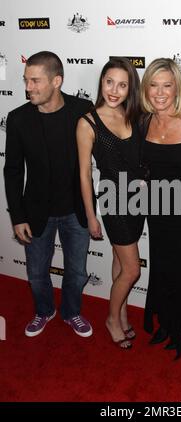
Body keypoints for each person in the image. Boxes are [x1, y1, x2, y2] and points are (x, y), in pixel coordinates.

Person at [4, 51, 94, 338]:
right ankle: (44, 311)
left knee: (77, 273)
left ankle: (71, 312)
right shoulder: (18, 119)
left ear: (57, 81)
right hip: (36, 212)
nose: (28, 87)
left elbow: (118, 130)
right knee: (37, 274)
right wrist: (17, 216)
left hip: (76, 211)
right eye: (25, 80)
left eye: (35, 80)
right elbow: (13, 171)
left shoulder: (83, 109)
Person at [139, 58, 181, 359]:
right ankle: (167, 320)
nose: (160, 92)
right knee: (160, 265)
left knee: (177, 267)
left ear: (177, 87)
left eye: (167, 85)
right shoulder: (143, 122)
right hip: (156, 206)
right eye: (154, 85)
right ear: (146, 88)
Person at [76, 58, 144, 349]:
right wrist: (91, 216)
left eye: (122, 84)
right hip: (113, 201)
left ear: (130, 89)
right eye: (109, 82)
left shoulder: (136, 116)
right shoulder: (88, 122)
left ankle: (124, 315)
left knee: (119, 262)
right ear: (101, 82)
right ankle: (112, 319)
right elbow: (84, 175)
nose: (114, 90)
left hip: (138, 201)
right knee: (133, 270)